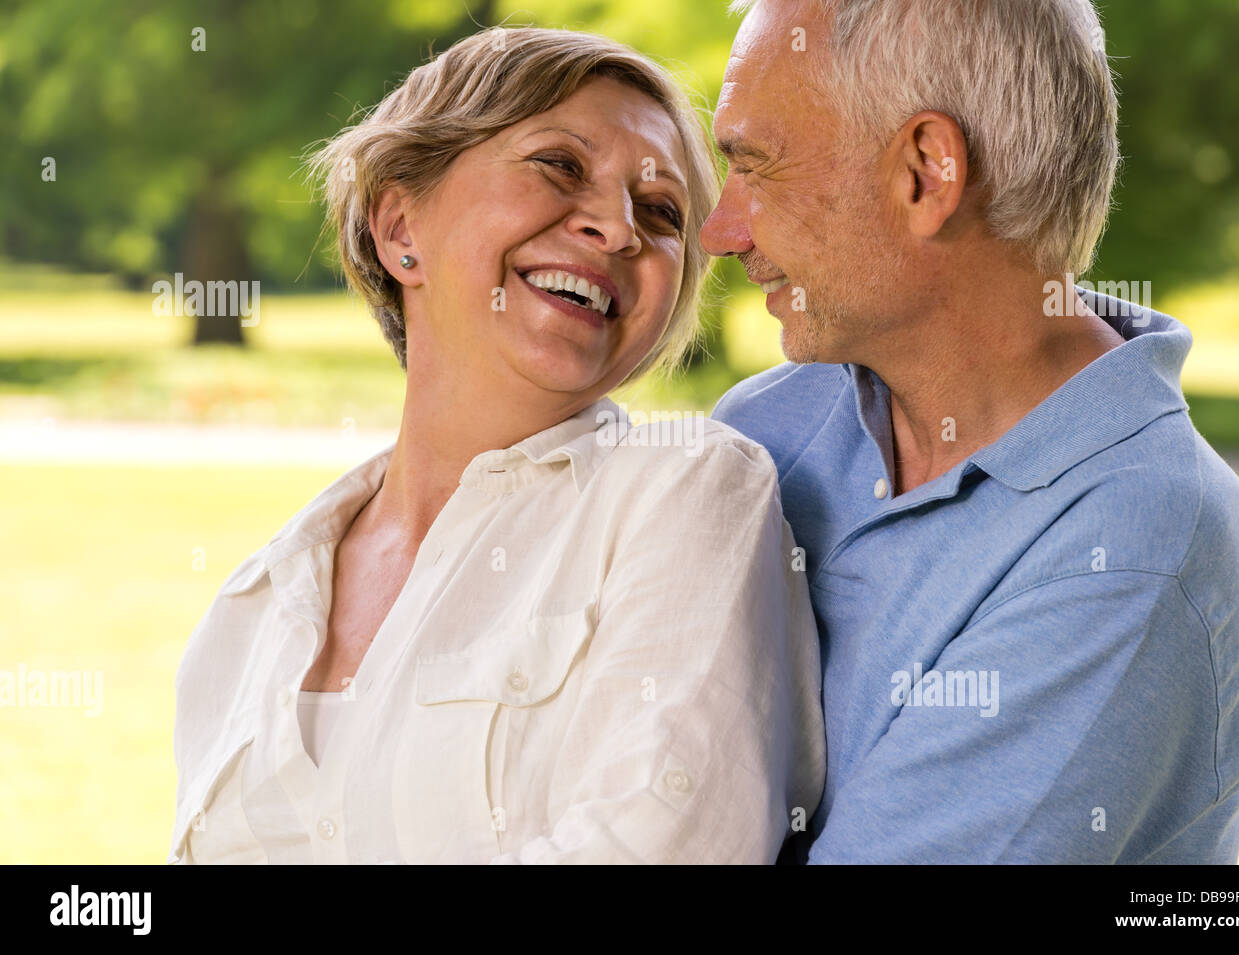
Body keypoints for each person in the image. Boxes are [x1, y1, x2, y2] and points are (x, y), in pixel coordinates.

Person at [168, 26, 824, 865]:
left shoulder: (688, 492)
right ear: (400, 223)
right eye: (561, 165)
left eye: (660, 213)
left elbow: (663, 840)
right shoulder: (251, 606)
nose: (620, 229)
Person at [707, 0, 1239, 863]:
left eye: (757, 167)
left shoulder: (1138, 543)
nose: (721, 231)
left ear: (927, 173)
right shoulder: (763, 428)